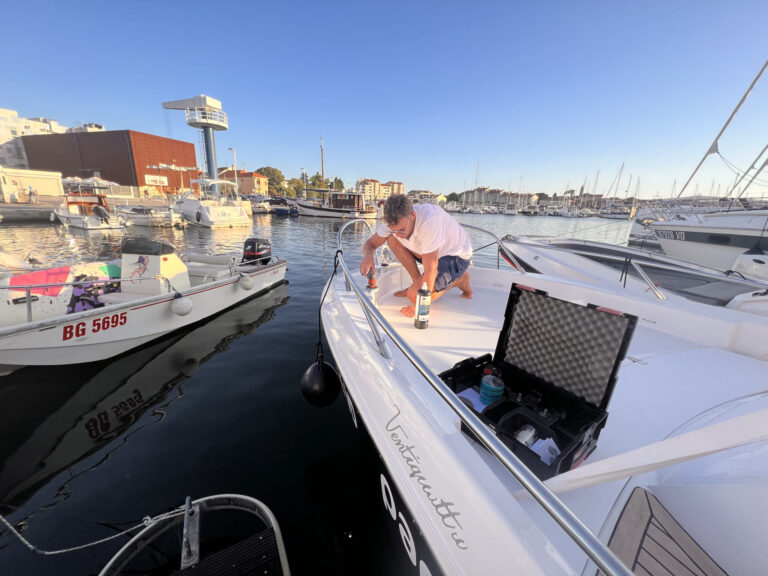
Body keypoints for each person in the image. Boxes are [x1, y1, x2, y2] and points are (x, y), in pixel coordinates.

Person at [360, 194, 473, 318]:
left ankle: (459, 279)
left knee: (414, 297)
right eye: (394, 230)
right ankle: (416, 283)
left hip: (455, 256)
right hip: (430, 252)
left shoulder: (430, 220)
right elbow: (370, 244)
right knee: (391, 239)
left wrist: (421, 304)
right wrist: (368, 255)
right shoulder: (391, 223)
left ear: (413, 215)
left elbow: (431, 268)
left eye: (402, 230)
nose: (398, 235)